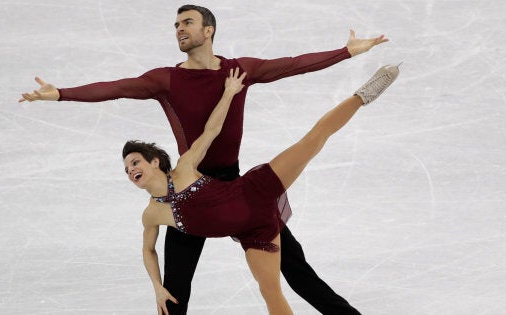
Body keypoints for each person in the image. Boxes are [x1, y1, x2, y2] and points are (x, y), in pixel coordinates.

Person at [20, 5, 388, 314]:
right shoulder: (165, 80)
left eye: (187, 23)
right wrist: (61, 94)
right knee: (174, 290)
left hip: (237, 188)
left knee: (296, 269)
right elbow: (116, 88)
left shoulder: (238, 70)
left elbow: (291, 65)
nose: (179, 29)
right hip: (187, 186)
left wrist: (346, 52)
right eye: (176, 25)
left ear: (208, 30)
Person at [123, 65, 400, 314]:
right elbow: (148, 250)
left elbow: (211, 131)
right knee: (271, 293)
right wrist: (157, 287)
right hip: (254, 231)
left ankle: (363, 94)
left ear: (155, 161)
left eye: (135, 162)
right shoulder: (152, 214)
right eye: (126, 170)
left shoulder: (184, 167)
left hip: (254, 190)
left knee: (311, 142)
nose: (131, 170)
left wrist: (229, 92)